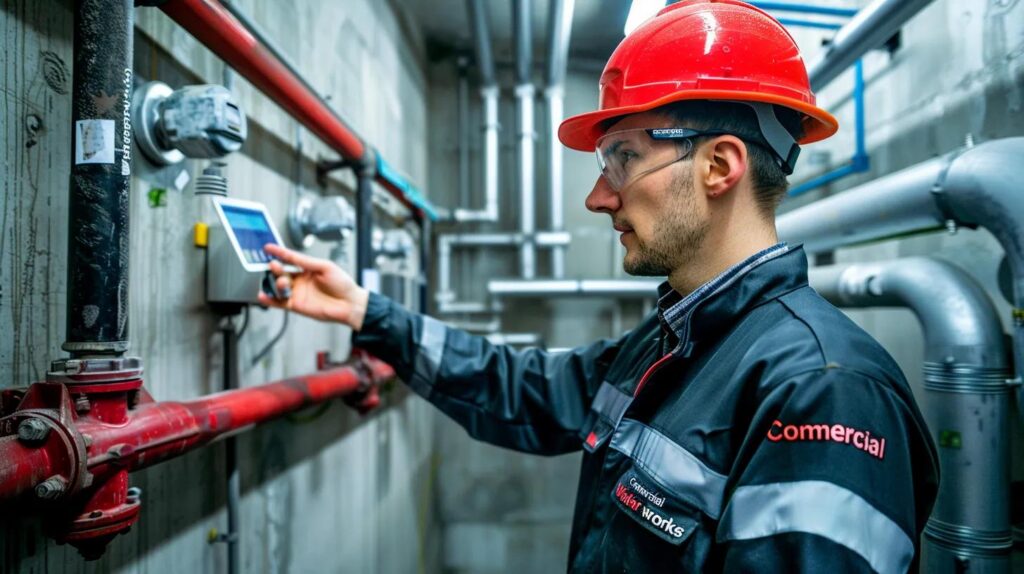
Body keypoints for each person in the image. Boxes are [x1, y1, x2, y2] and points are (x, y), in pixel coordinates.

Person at [259, 1, 939, 571]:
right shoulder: (670, 346)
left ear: (718, 165)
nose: (597, 197)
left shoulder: (825, 390)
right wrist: (365, 311)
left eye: (623, 159)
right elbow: (522, 389)